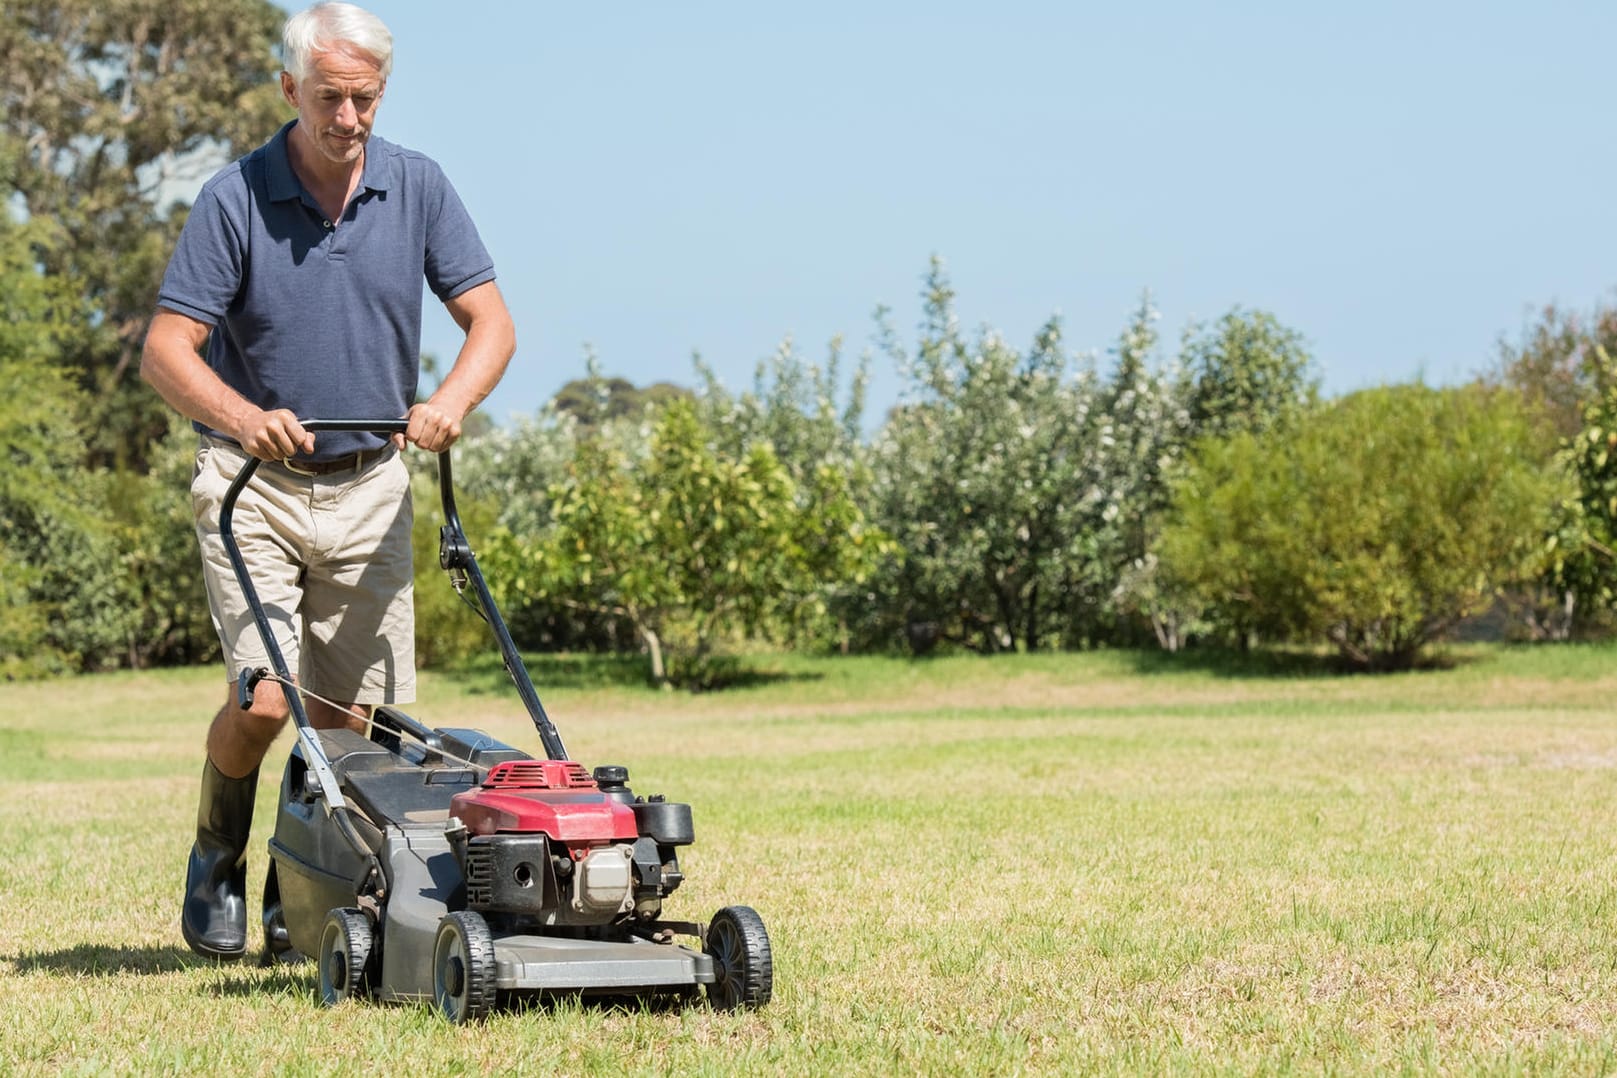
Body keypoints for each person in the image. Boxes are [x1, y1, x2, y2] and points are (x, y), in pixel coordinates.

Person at [140, 1, 515, 959]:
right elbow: (166, 352)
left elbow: (492, 324)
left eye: (364, 100)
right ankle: (214, 856)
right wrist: (241, 417)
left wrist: (449, 404)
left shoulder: (418, 187)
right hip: (251, 484)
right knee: (269, 700)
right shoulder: (235, 197)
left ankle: (294, 886)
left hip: (371, 484)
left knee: (348, 728)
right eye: (328, 98)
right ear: (288, 90)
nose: (347, 120)